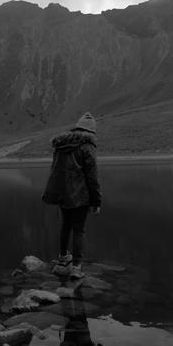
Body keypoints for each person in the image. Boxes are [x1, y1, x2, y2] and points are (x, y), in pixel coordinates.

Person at [42, 112, 102, 279]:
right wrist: (96, 202)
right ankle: (76, 268)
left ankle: (63, 258)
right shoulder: (87, 147)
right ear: (91, 131)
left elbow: (55, 170)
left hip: (63, 194)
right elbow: (93, 177)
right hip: (80, 196)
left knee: (66, 225)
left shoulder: (61, 145)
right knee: (79, 230)